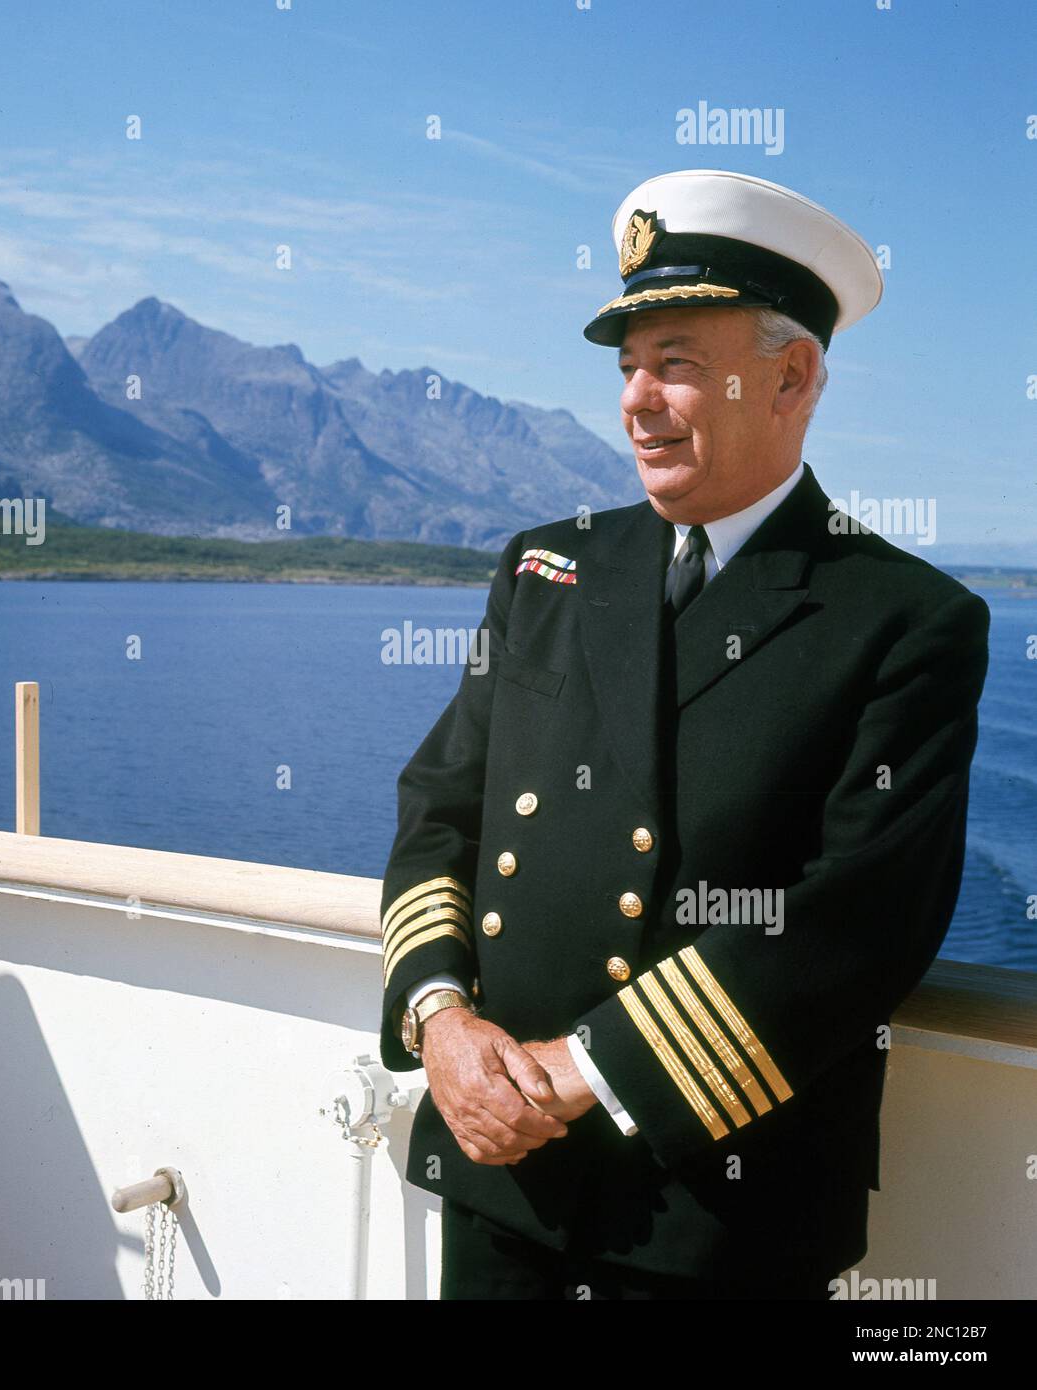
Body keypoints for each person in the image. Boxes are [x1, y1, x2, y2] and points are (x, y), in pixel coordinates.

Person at [377, 170, 990, 1300]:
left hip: (715, 1221)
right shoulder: (545, 570)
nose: (636, 402)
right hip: (498, 1174)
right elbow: (440, 807)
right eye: (627, 368)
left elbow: (858, 920)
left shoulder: (903, 619)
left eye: (678, 366)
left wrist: (583, 1070)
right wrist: (442, 1023)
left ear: (793, 375)